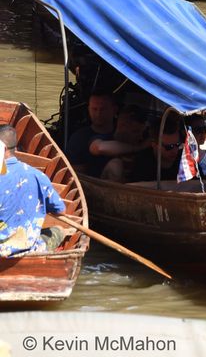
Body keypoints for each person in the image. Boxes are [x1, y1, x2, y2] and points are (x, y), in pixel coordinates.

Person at [0, 124, 66, 257]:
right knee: (60, 230)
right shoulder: (38, 176)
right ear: (15, 148)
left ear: (4, 149)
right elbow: (61, 211)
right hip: (29, 249)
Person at [65, 91, 119, 177]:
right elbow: (71, 170)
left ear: (114, 110)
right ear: (88, 109)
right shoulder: (79, 138)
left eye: (103, 109)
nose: (98, 114)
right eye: (94, 109)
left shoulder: (122, 134)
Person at [128, 117, 183, 183]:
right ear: (154, 145)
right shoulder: (143, 163)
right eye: (169, 147)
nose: (174, 150)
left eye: (177, 145)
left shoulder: (184, 160)